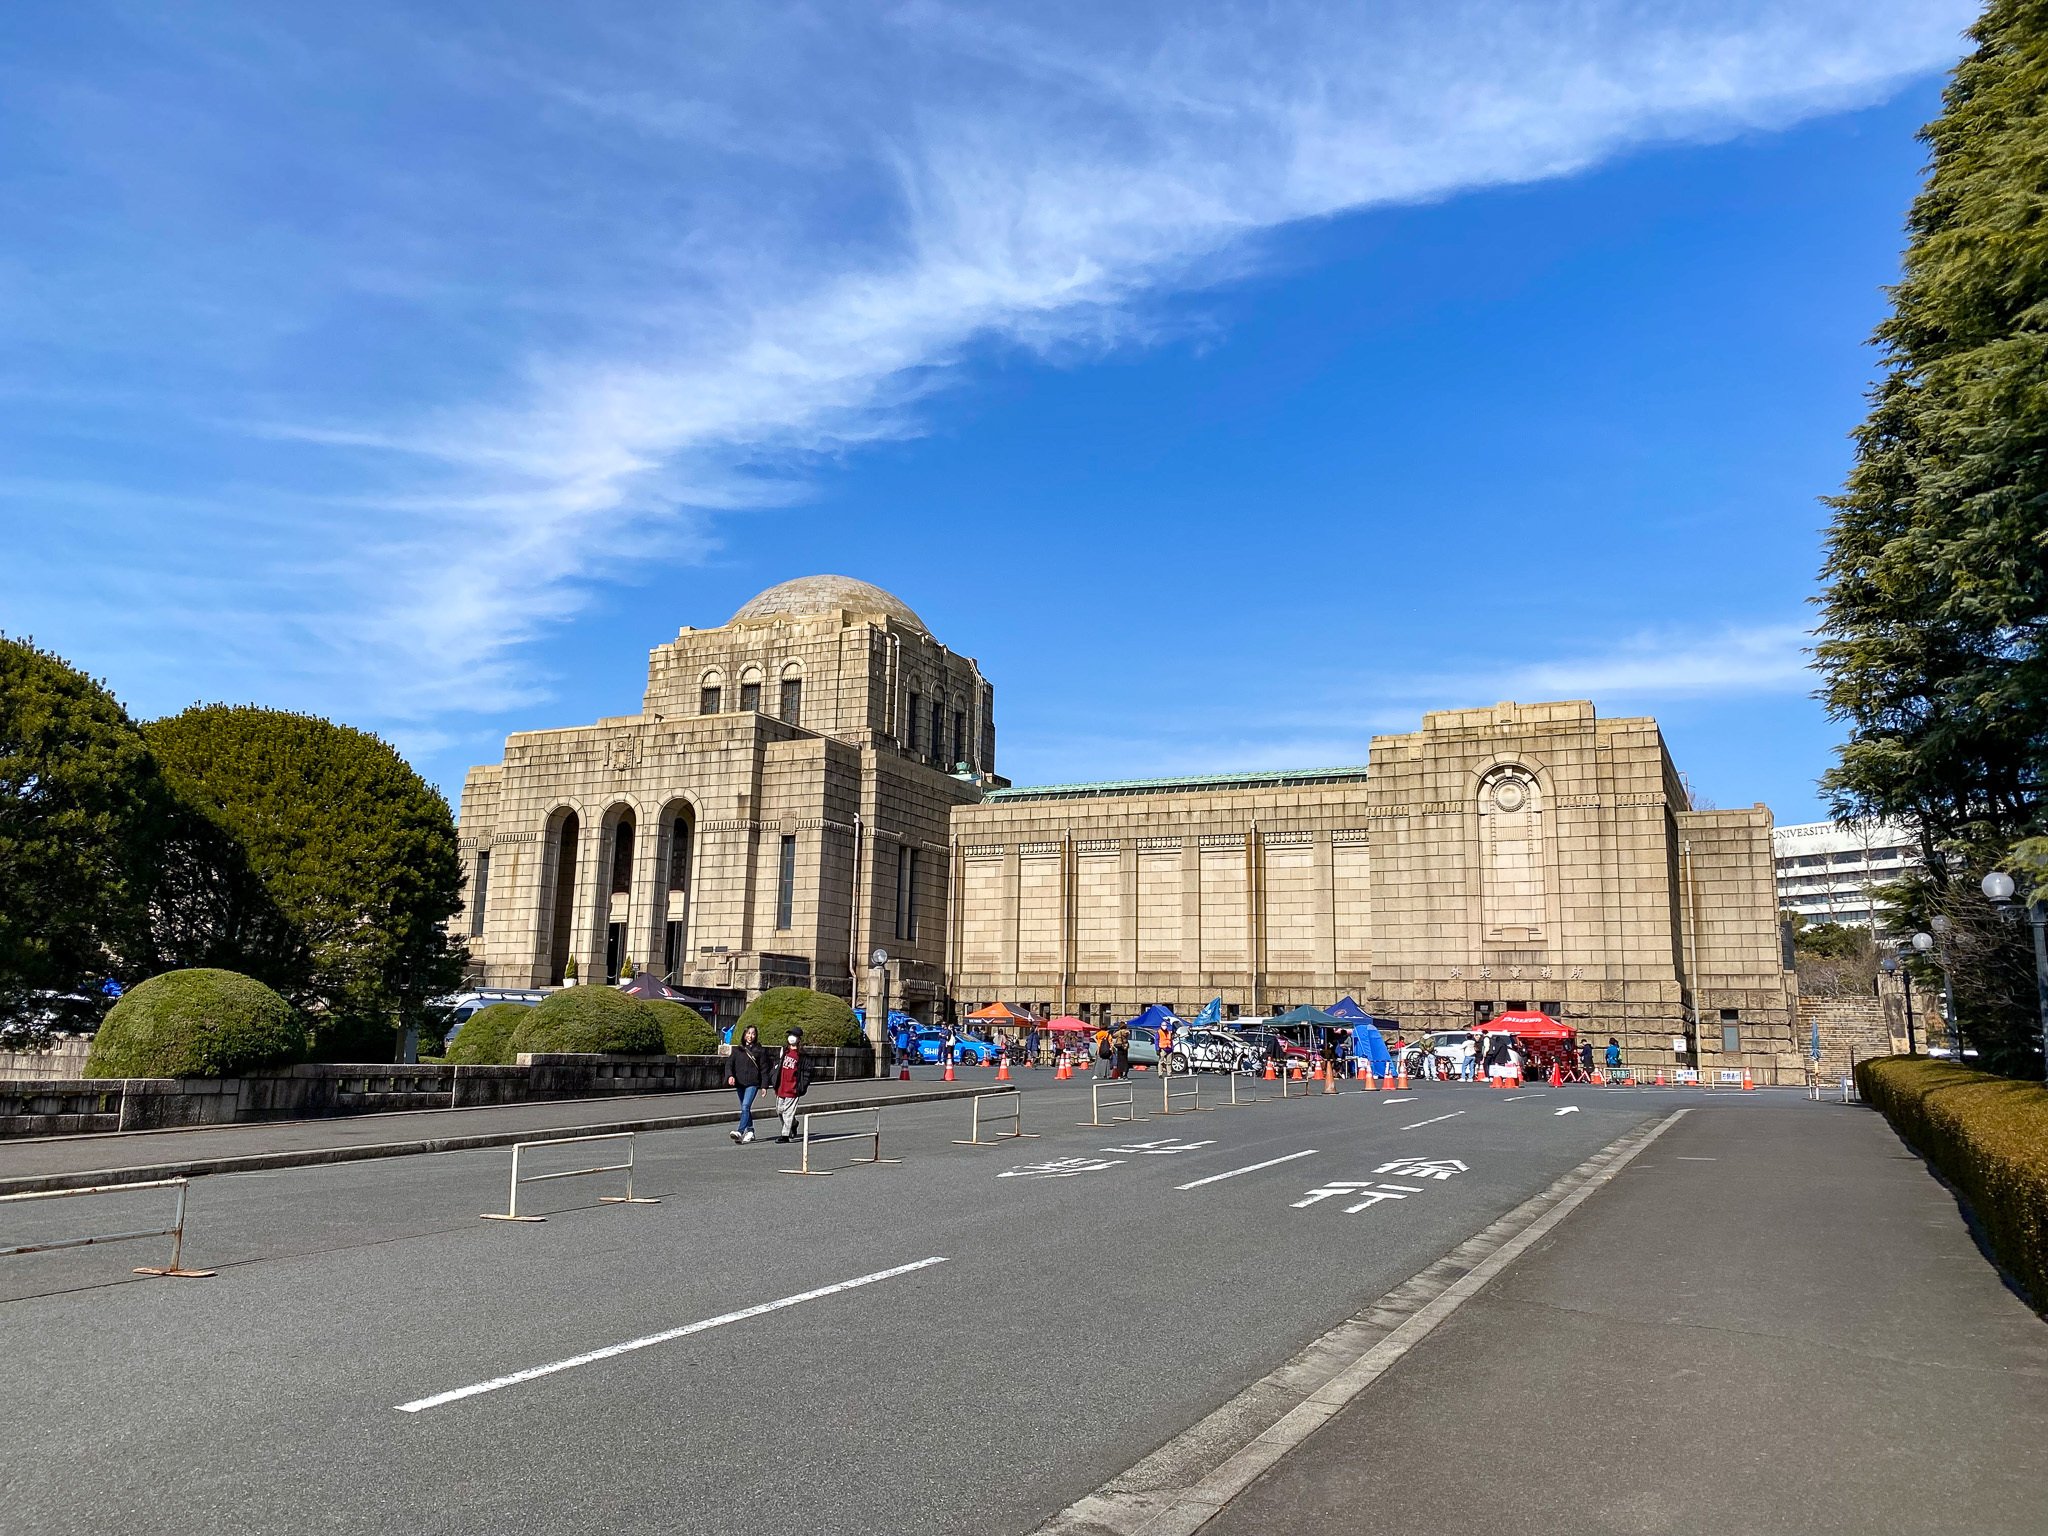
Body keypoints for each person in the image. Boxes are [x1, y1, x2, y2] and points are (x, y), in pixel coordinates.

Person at [726, 1024, 772, 1144]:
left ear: (756, 1036)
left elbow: (764, 1069)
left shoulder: (760, 1051)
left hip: (753, 1083)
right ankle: (750, 1131)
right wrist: (730, 1076)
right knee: (745, 1108)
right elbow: (729, 1064)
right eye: (748, 1033)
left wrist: (764, 1086)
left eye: (753, 1034)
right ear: (744, 1034)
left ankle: (740, 1132)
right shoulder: (737, 1050)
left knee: (745, 1106)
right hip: (740, 1083)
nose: (750, 1036)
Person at [772, 1026, 814, 1143]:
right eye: (790, 1035)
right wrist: (773, 1077)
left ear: (799, 1039)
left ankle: (785, 1134)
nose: (791, 1038)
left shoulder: (802, 1056)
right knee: (779, 1110)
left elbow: (807, 1072)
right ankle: (793, 1124)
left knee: (788, 1112)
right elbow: (776, 1066)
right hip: (781, 1086)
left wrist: (802, 1085)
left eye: (794, 1036)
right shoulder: (784, 1052)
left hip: (793, 1087)